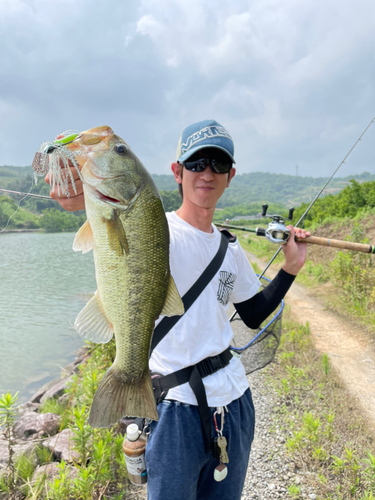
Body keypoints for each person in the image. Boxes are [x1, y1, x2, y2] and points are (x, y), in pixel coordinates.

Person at [47, 119, 309, 500]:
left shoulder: (230, 248)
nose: (207, 173)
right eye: (197, 163)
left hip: (234, 402)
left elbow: (252, 314)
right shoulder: (154, 224)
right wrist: (76, 187)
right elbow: (96, 208)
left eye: (218, 165)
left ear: (230, 175)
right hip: (174, 409)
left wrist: (290, 269)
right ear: (177, 171)